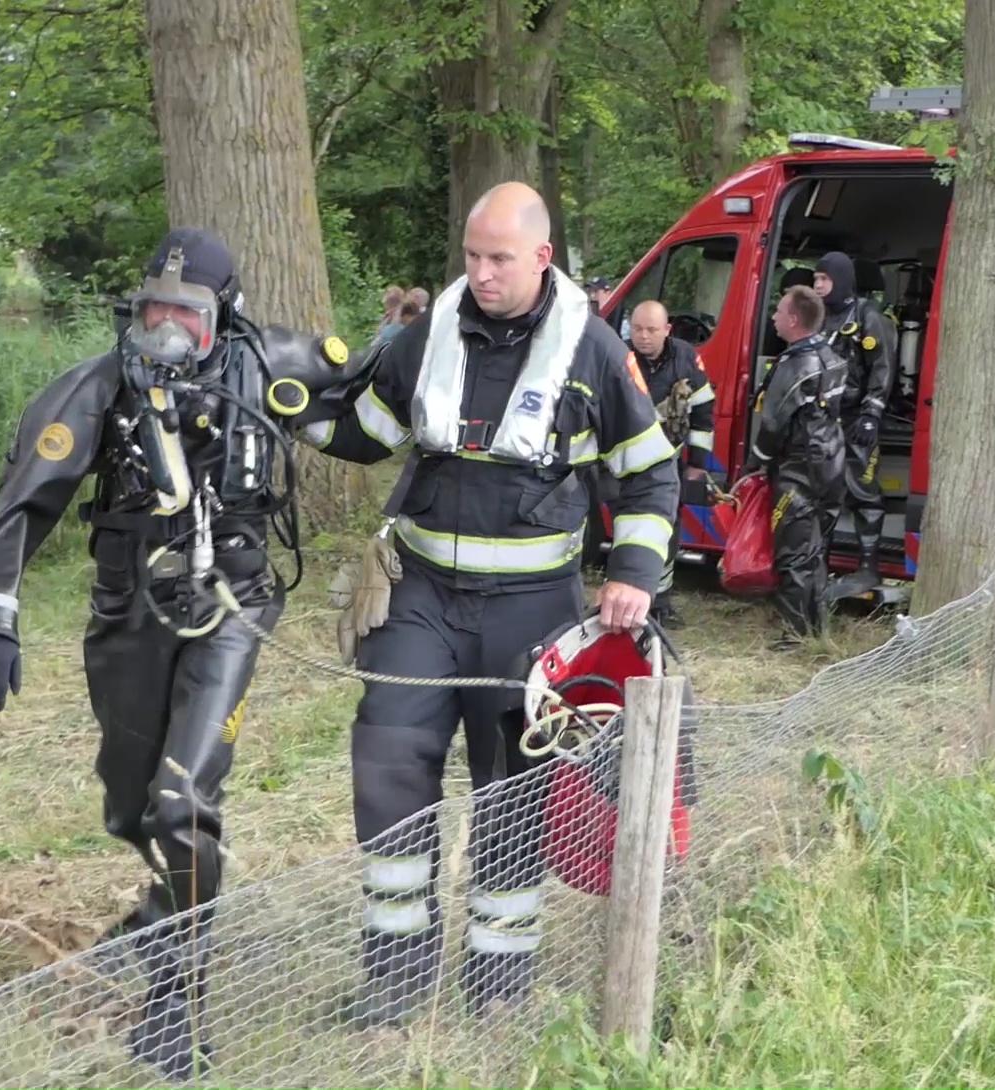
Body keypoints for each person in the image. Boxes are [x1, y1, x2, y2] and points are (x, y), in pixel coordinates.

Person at [0, 227, 366, 1080]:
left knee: (183, 801)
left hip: (233, 604)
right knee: (131, 805)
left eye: (187, 313)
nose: (167, 331)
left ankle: (175, 1002)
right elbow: (27, 495)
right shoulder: (105, 384)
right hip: (130, 609)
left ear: (227, 316)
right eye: (155, 311)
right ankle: (158, 911)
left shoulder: (274, 364)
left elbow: (378, 410)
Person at [300, 182, 680, 1025]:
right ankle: (394, 978)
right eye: (472, 257)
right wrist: (293, 402)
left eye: (499, 258)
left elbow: (652, 472)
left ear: (542, 258)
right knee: (389, 761)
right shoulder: (427, 335)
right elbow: (366, 432)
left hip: (533, 610)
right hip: (422, 598)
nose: (481, 273)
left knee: (512, 788)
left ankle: (497, 983)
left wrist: (633, 575)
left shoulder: (592, 348)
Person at [744, 284, 846, 649]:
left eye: (778, 311)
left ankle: (795, 633)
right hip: (832, 463)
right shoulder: (833, 357)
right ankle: (817, 627)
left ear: (793, 319)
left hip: (799, 470)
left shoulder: (795, 366)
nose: (772, 317)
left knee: (791, 552)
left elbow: (772, 425)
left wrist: (756, 463)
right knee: (817, 549)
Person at [626, 299, 715, 629]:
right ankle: (634, 597)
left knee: (667, 531)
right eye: (637, 329)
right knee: (631, 530)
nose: (644, 337)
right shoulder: (619, 358)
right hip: (627, 463)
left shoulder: (687, 358)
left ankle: (659, 602)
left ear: (667, 330)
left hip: (669, 461)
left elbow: (704, 410)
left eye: (651, 330)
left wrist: (698, 464)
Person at [811, 252, 896, 586]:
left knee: (863, 491)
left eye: (824, 280)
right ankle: (819, 565)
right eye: (815, 280)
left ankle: (868, 567)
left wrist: (872, 414)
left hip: (857, 419)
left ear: (841, 280)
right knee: (824, 491)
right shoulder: (817, 318)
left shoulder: (868, 317)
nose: (818, 286)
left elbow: (882, 367)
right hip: (824, 419)